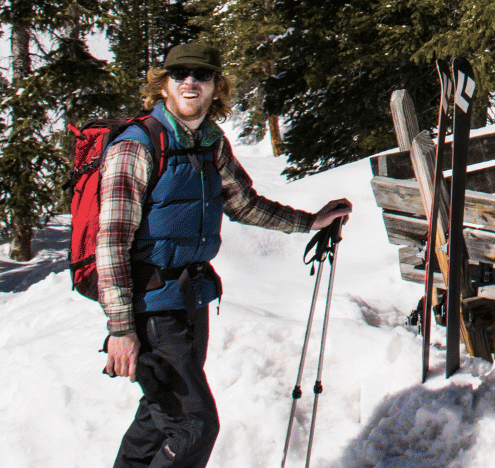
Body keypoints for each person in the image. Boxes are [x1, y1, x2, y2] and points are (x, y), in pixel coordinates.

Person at [100, 42, 352, 468]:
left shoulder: (210, 143)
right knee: (193, 426)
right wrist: (121, 328)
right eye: (179, 74)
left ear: (217, 86)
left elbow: (244, 205)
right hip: (151, 308)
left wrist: (309, 222)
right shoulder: (137, 146)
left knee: (160, 418)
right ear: (163, 86)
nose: (190, 82)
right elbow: (111, 243)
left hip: (190, 300)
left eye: (202, 74)